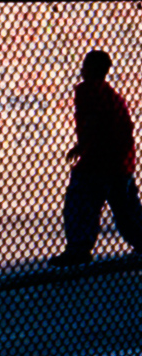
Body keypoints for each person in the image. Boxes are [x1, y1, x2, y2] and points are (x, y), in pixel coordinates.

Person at [49, 49, 142, 267]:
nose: (82, 69)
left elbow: (92, 121)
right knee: (126, 209)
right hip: (121, 161)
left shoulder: (88, 91)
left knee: (80, 200)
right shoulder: (112, 95)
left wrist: (81, 146)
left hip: (98, 160)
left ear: (90, 68)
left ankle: (79, 248)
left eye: (85, 65)